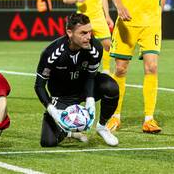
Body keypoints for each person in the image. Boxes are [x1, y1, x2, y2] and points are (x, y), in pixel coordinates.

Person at [106, 0, 172, 133]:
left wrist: (159, 9)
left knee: (152, 67)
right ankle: (115, 116)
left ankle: (149, 118)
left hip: (151, 22)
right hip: (127, 22)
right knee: (121, 68)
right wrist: (119, 6)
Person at [34, 13, 119, 147]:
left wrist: (90, 100)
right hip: (62, 96)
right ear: (69, 32)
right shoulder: (52, 53)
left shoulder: (95, 48)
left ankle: (102, 127)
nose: (88, 37)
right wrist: (52, 110)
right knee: (48, 142)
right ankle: (70, 131)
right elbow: (39, 86)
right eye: (83, 33)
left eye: (90, 32)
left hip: (84, 88)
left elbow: (91, 76)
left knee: (110, 87)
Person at [63, 0, 114, 74]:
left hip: (99, 17)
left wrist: (107, 16)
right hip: (83, 20)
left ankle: (106, 70)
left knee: (107, 44)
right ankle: (80, 70)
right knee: (81, 46)